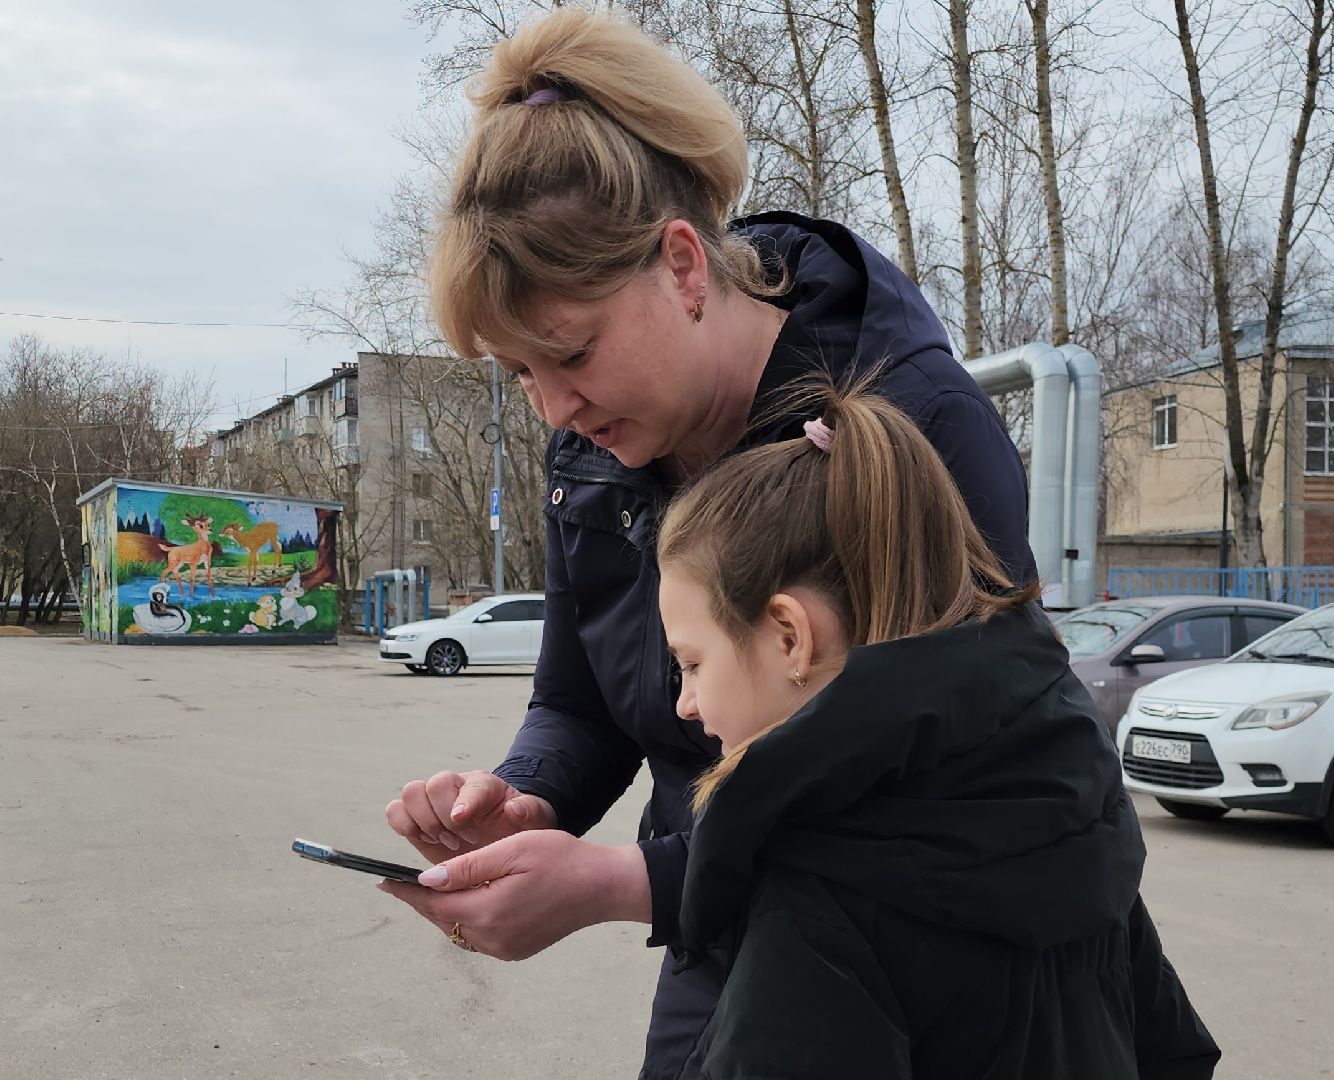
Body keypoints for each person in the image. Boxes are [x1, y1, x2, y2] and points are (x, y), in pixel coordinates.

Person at [376, 8, 1034, 1077]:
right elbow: (579, 700)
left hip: (920, 977)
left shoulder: (909, 432)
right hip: (718, 924)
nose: (551, 408)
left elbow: (954, 814)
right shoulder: (596, 452)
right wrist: (522, 797)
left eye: (569, 352)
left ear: (682, 265)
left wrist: (619, 885)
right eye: (518, 375)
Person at [655, 381, 1221, 1080]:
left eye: (691, 663)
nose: (685, 703)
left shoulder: (821, 902)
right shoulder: (1066, 820)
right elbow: (1173, 1051)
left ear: (787, 637)